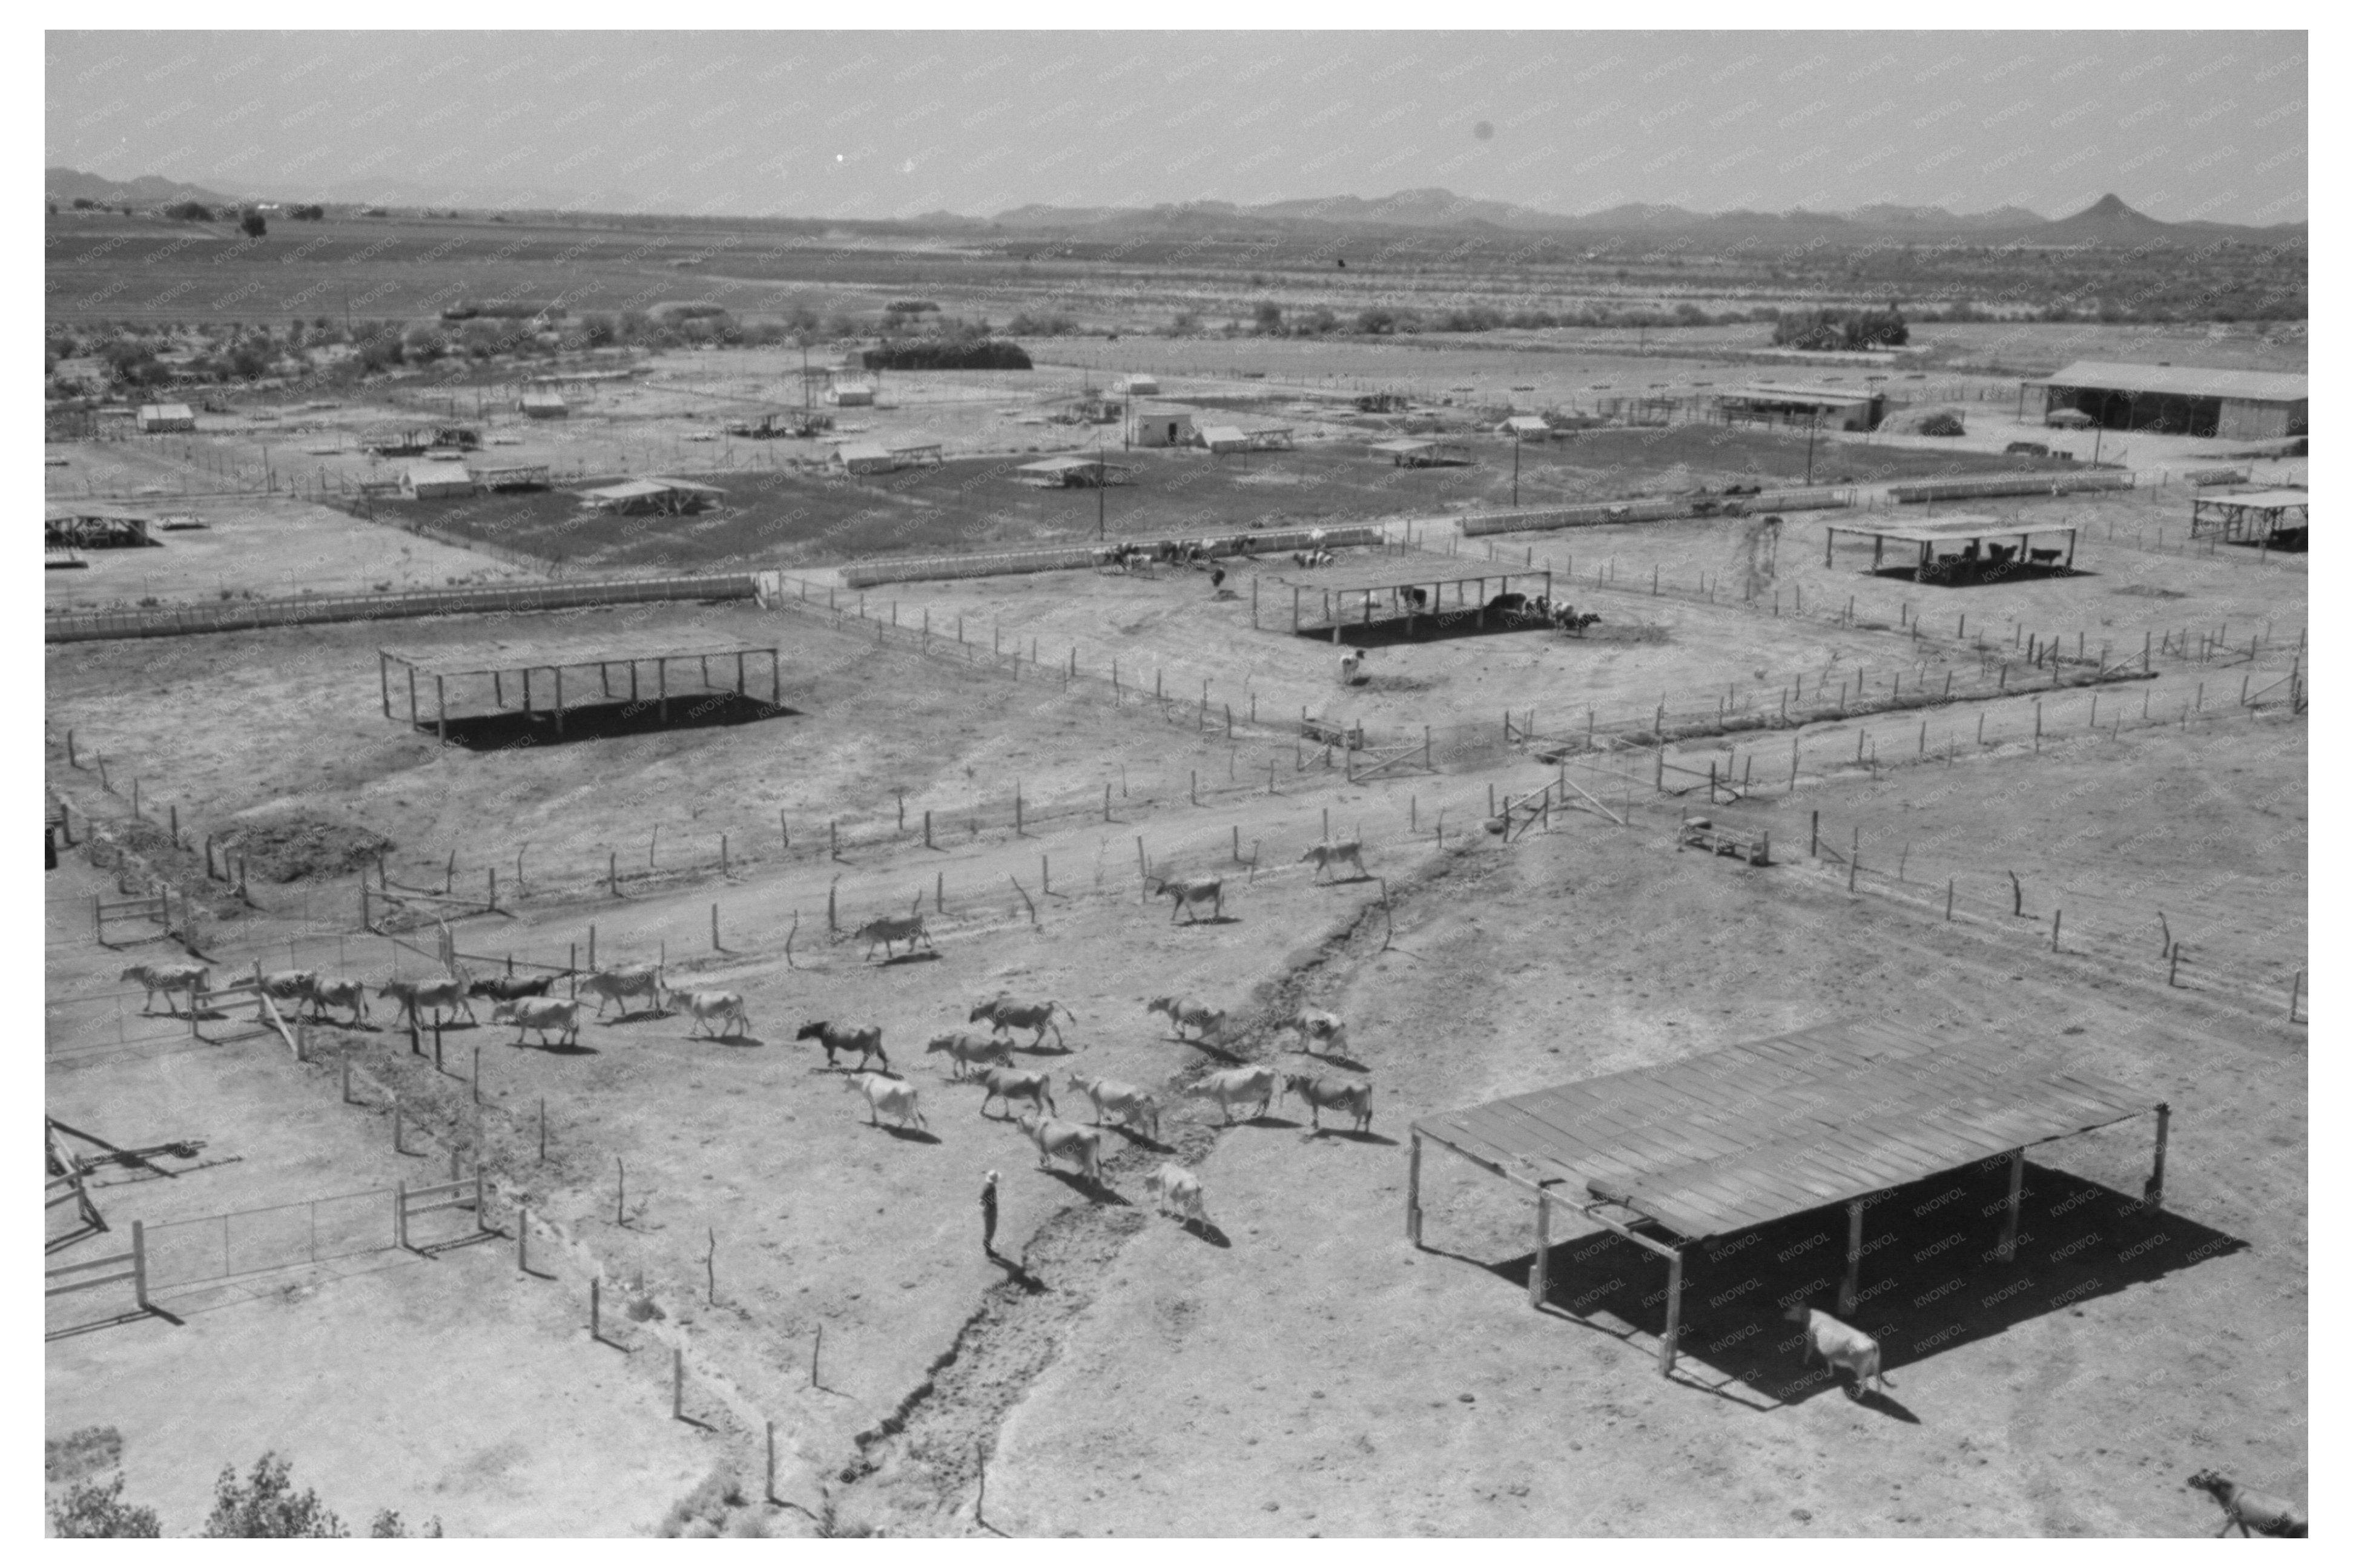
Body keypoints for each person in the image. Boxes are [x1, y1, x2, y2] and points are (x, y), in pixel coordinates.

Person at [980, 1170, 1000, 1257]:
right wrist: (987, 1209)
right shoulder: (988, 1189)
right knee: (990, 1231)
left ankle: (988, 1248)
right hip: (990, 1212)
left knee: (992, 1229)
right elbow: (981, 1201)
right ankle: (988, 1250)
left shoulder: (991, 1187)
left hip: (992, 1210)